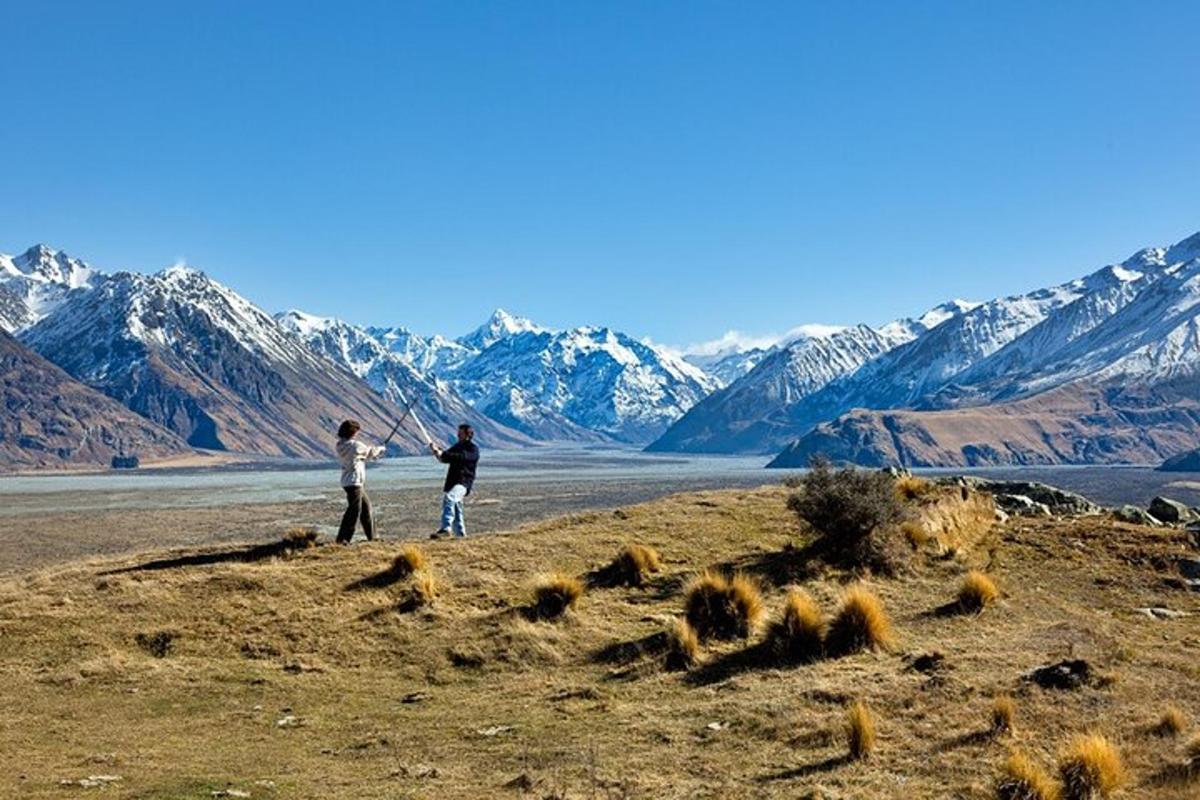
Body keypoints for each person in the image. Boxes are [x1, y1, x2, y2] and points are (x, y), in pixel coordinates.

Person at [335, 419, 385, 544]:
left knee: (365, 508)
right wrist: (381, 448)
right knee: (354, 511)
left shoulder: (341, 445)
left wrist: (365, 456)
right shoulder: (355, 445)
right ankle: (343, 539)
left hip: (348, 481)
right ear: (353, 432)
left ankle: (372, 537)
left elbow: (361, 456)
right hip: (354, 482)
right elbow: (371, 452)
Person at [430, 423, 479, 539]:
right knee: (457, 510)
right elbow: (445, 458)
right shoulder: (457, 446)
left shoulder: (473, 449)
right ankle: (461, 536)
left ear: (468, 435)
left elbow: (463, 457)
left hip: (463, 482)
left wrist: (443, 453)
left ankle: (446, 528)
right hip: (453, 482)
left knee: (450, 498)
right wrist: (437, 452)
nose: (457, 435)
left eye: (460, 433)